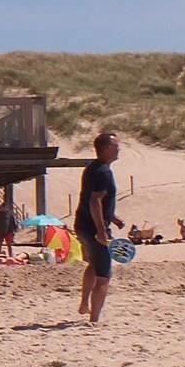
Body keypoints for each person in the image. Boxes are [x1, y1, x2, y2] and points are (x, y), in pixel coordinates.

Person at [74, 131, 125, 324]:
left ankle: (84, 303)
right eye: (115, 146)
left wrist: (113, 217)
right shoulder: (103, 172)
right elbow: (95, 201)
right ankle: (94, 319)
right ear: (105, 149)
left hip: (82, 225)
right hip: (94, 229)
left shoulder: (92, 168)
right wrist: (102, 231)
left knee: (93, 265)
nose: (119, 148)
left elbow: (93, 199)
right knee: (104, 276)